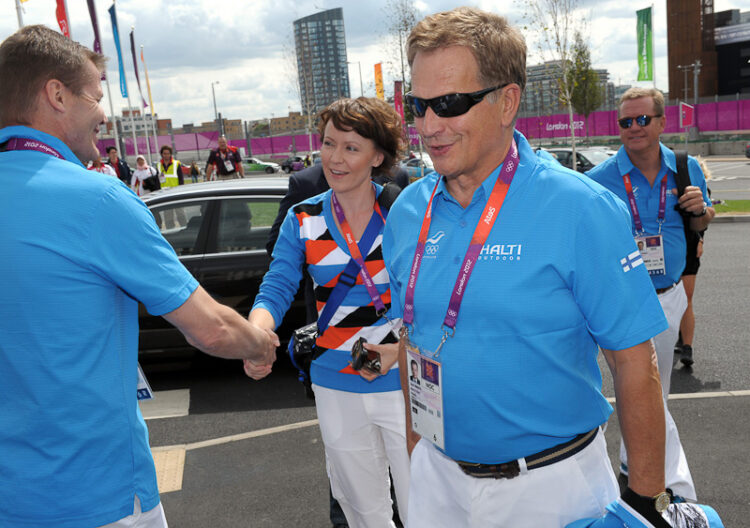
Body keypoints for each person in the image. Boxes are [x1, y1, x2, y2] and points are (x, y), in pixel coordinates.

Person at [382, 8, 674, 527]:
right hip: (436, 482)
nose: (428, 126)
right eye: (418, 106)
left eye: (449, 104)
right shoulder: (408, 212)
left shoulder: (579, 208)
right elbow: (414, 341)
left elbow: (634, 361)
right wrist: (417, 458)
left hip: (551, 490)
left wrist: (645, 501)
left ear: (507, 101)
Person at [0, 25, 276, 528]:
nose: (103, 114)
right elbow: (211, 327)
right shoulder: (96, 199)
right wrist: (260, 346)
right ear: (55, 95)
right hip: (95, 495)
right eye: (95, 96)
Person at [250, 97, 410, 528]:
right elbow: (277, 287)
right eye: (328, 144)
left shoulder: (406, 212)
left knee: (428, 506)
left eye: (351, 148)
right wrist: (255, 334)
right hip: (336, 385)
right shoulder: (303, 218)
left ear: (378, 156)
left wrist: (401, 349)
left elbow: (431, 294)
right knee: (363, 513)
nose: (335, 158)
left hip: (405, 381)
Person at [586, 87, 714, 502]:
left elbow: (701, 224)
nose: (634, 129)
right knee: (645, 392)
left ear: (662, 122)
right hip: (623, 302)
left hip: (671, 294)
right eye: (626, 122)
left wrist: (701, 210)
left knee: (649, 394)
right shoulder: (599, 180)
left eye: (643, 120)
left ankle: (632, 469)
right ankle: (673, 490)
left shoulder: (684, 166)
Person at [676, 156, 712, 367]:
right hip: (664, 248)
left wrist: (700, 240)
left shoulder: (698, 189)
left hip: (689, 243)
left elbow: (702, 218)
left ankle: (687, 347)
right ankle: (678, 336)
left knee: (686, 298)